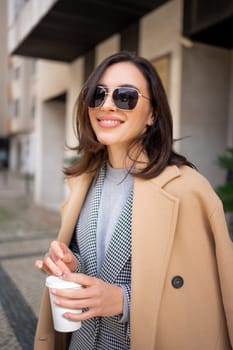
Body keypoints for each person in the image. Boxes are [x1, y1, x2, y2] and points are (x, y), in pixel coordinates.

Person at [34, 51, 233, 350]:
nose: (107, 105)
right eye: (97, 95)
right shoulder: (82, 181)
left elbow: (205, 299)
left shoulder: (188, 190)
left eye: (126, 96)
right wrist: (71, 266)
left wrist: (124, 301)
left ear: (153, 114)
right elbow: (94, 266)